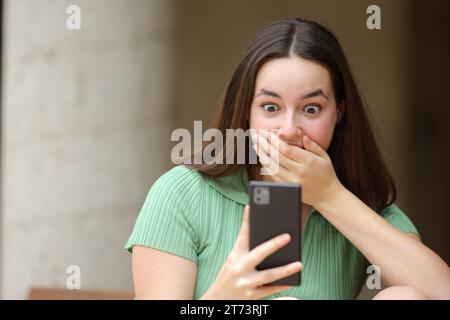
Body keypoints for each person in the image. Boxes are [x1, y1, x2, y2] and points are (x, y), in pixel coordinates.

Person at [124, 18, 450, 300]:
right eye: (270, 107)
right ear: (246, 112)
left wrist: (329, 196)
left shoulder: (360, 203)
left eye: (311, 109)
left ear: (339, 112)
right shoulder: (182, 194)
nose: (289, 129)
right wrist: (227, 294)